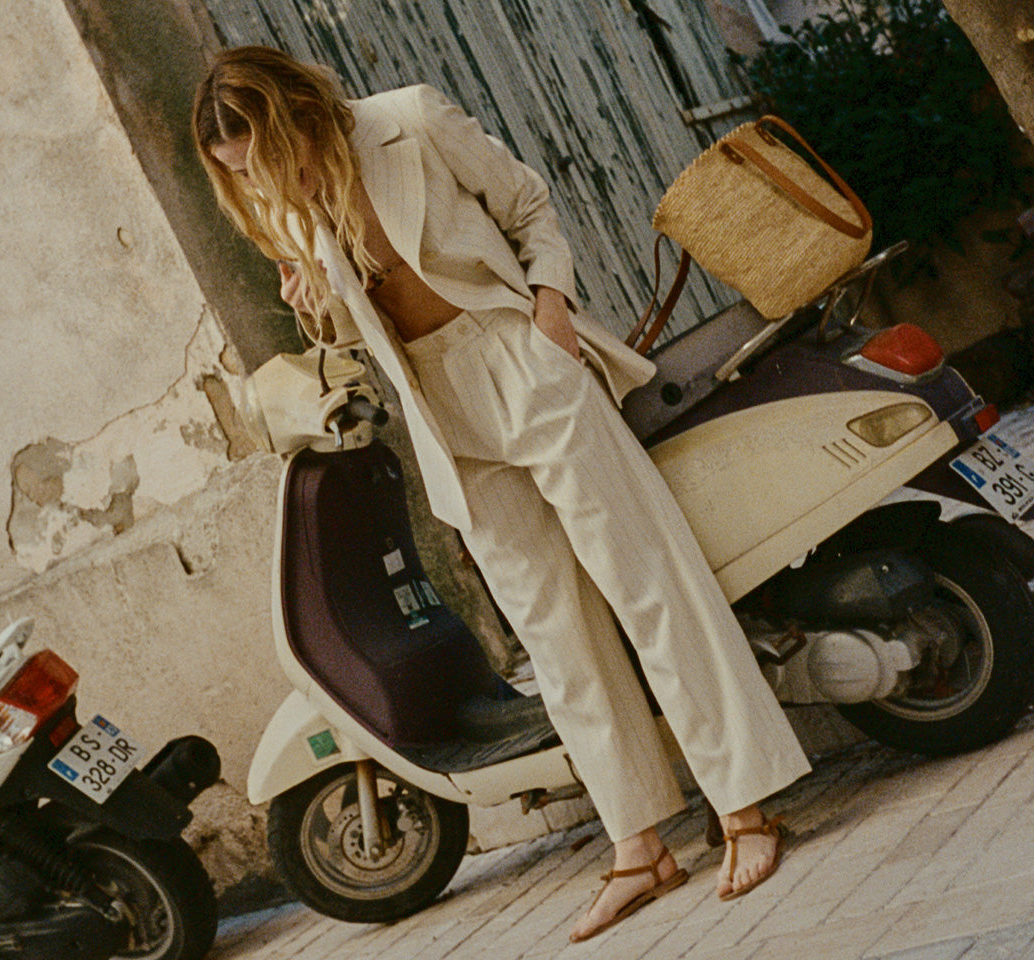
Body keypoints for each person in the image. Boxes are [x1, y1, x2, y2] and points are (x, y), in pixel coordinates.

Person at [192, 46, 812, 941]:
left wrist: (550, 309)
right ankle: (639, 846)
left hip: (518, 353)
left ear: (297, 114)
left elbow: (526, 203)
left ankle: (744, 807)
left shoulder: (409, 119)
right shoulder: (292, 207)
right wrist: (312, 299)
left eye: (264, 156)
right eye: (240, 172)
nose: (261, 180)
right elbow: (354, 331)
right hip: (441, 408)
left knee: (646, 584)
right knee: (552, 631)